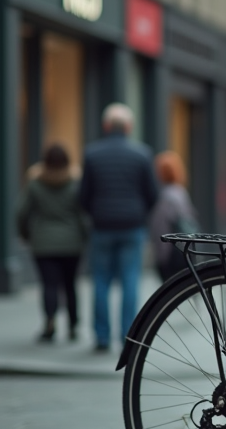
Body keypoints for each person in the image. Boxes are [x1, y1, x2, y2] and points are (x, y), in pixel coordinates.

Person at [78, 103, 159, 352]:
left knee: (100, 280)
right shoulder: (142, 154)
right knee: (130, 280)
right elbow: (153, 194)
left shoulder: (92, 154)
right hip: (132, 226)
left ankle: (102, 337)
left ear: (106, 126)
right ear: (129, 127)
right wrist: (140, 213)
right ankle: (128, 336)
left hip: (102, 226)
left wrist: (96, 213)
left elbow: (83, 195)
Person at [16, 143, 88, 342]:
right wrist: (85, 236)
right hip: (72, 242)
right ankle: (73, 325)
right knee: (70, 285)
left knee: (49, 285)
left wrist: (25, 234)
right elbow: (82, 214)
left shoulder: (35, 183)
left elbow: (21, 212)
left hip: (43, 242)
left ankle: (50, 322)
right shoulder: (75, 183)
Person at [147, 150, 201, 282]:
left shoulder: (165, 197)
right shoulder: (181, 192)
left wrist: (160, 258)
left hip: (171, 254)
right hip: (184, 249)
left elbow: (160, 228)